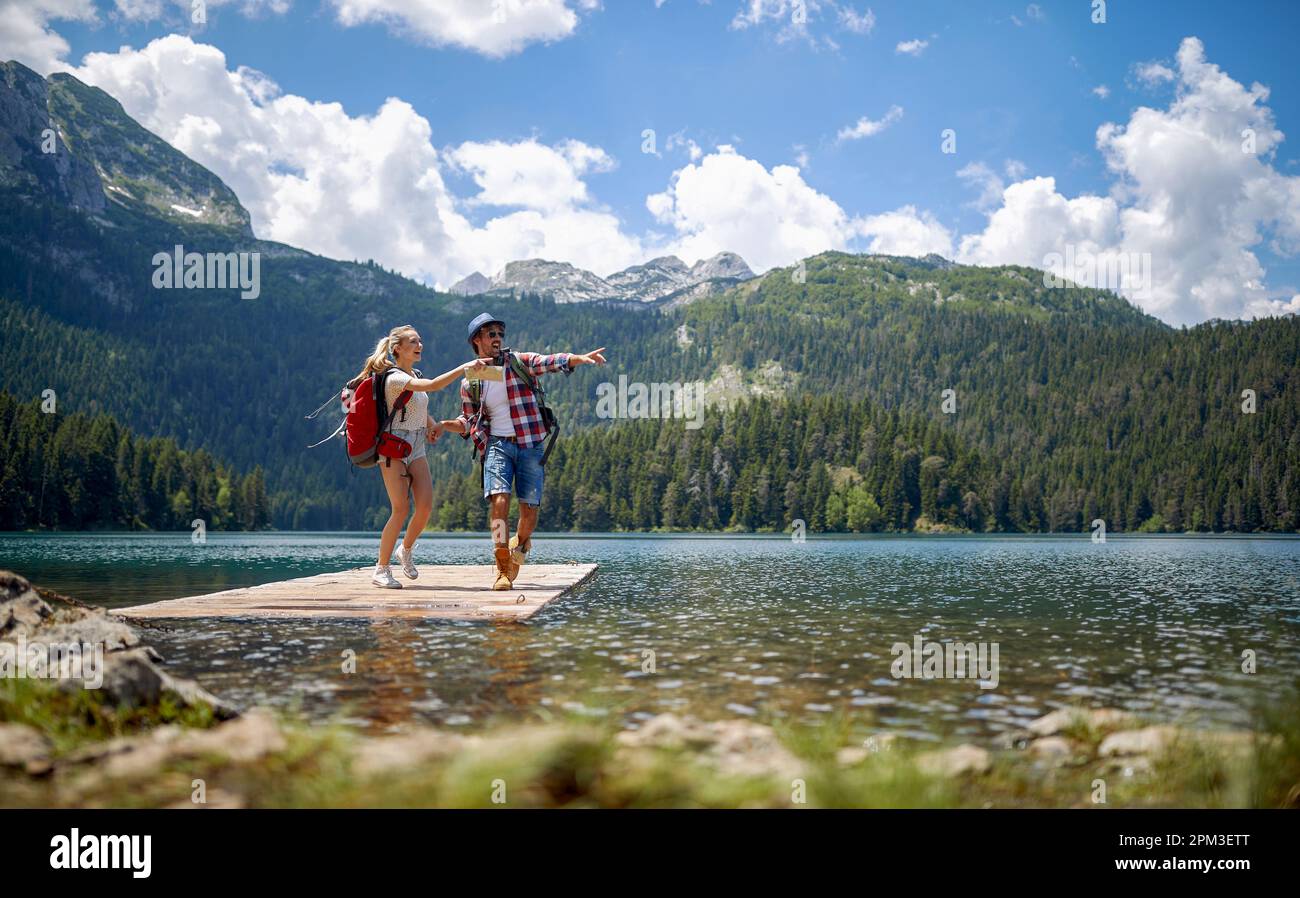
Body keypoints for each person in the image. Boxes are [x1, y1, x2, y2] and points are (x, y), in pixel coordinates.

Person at [438, 312, 606, 590]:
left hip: (530, 445)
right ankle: (502, 565)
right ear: (476, 340)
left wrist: (578, 358)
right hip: (497, 446)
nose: (497, 338)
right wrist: (445, 426)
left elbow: (548, 361)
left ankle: (521, 545)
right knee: (499, 501)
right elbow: (468, 421)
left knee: (529, 512)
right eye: (490, 334)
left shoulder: (518, 362)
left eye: (499, 334)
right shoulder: (471, 381)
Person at [350, 325, 491, 588]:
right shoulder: (395, 378)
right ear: (398, 350)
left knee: (425, 506)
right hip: (393, 444)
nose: (420, 345)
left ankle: (405, 549)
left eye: (420, 341)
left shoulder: (413, 374)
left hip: (416, 444)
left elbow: (416, 403)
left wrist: (432, 424)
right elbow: (433, 385)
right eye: (413, 342)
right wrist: (465, 367)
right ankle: (381, 569)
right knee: (401, 509)